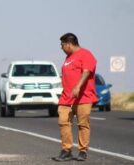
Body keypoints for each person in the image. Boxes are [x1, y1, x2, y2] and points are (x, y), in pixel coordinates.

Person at [54, 33, 97, 162]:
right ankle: (66, 150)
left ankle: (82, 151)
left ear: (68, 44)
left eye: (62, 45)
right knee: (63, 122)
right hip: (66, 97)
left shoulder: (86, 54)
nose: (61, 48)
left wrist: (78, 86)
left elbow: (87, 71)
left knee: (82, 124)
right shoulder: (68, 58)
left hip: (83, 97)